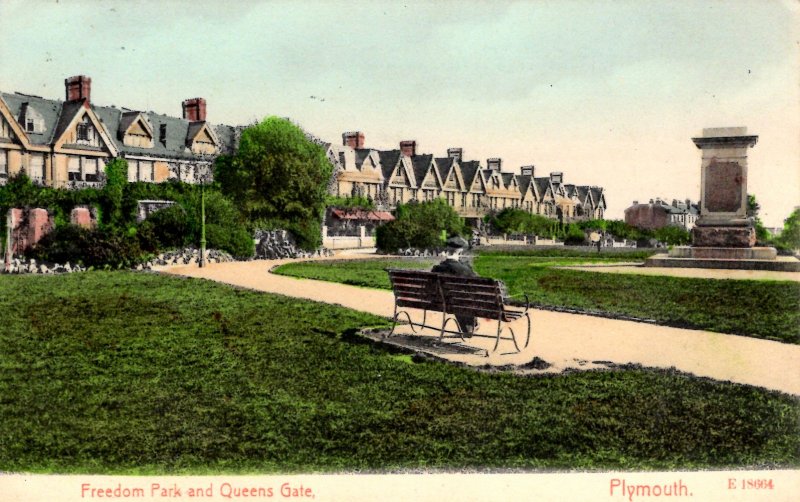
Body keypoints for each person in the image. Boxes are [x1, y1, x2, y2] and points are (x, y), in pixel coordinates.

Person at [431, 235, 478, 336]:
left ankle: (467, 327)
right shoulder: (464, 269)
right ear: (460, 251)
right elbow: (476, 283)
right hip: (457, 301)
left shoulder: (437, 268)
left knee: (456, 297)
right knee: (465, 297)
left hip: (441, 302)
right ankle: (470, 326)